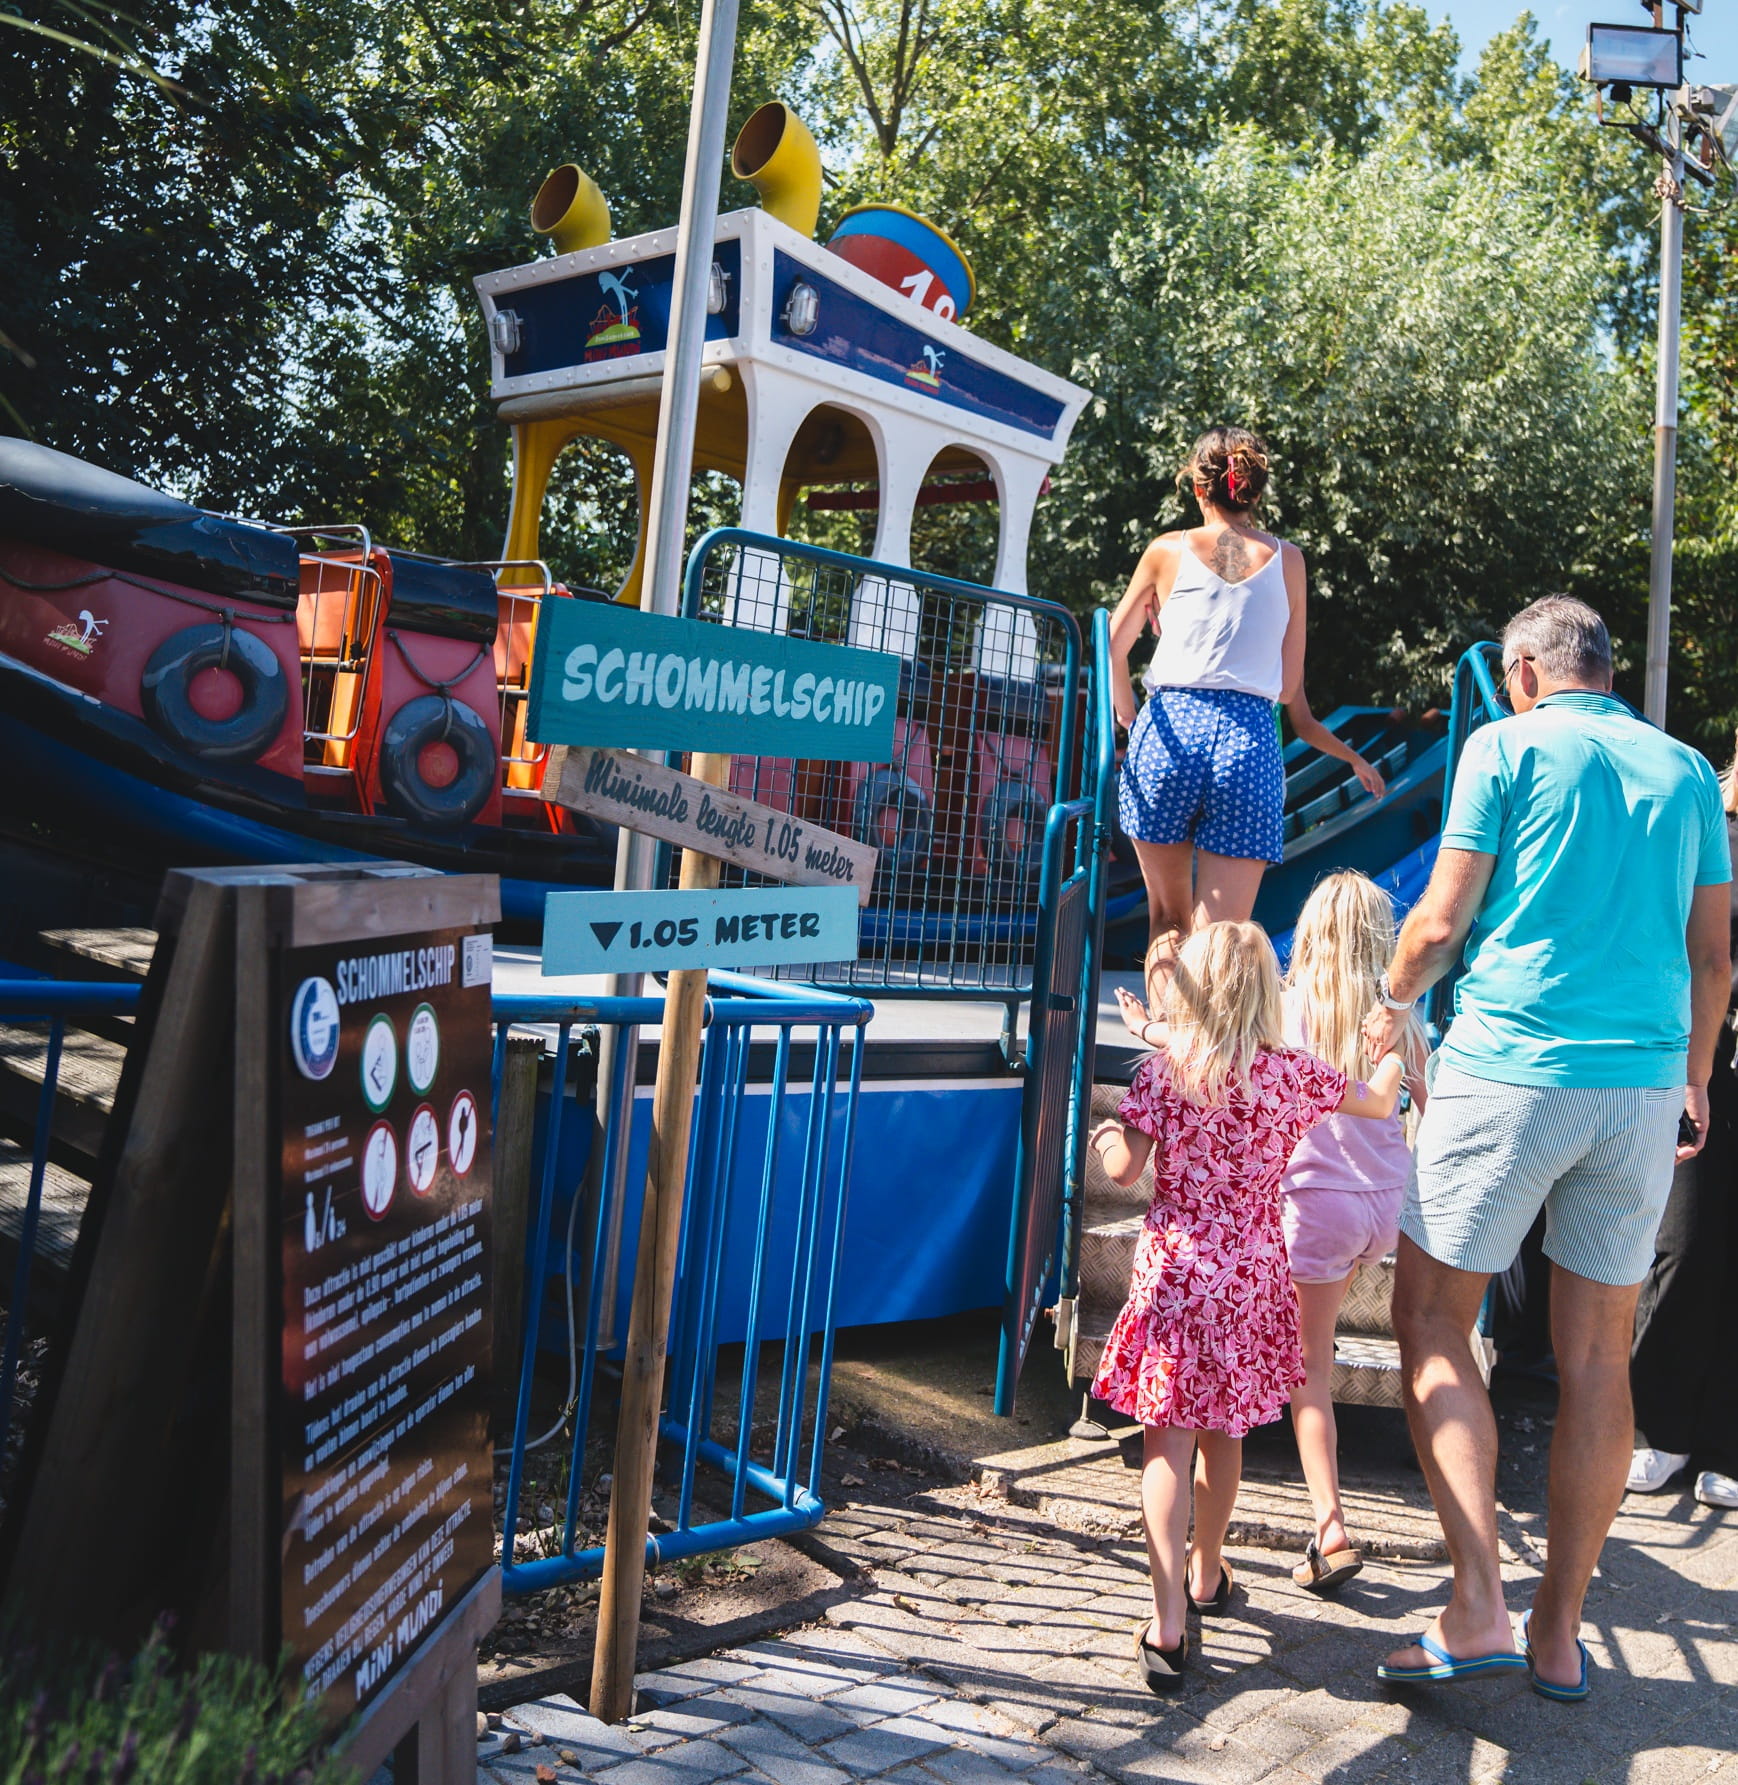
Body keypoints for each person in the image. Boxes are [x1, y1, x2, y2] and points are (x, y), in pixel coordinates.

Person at [1362, 596, 1730, 1703]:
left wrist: (1388, 1002)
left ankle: (1476, 1600)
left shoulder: (1505, 746)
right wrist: (1697, 1078)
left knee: (1428, 1316)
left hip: (1513, 1070)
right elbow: (1714, 958)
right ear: (1605, 672)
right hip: (1642, 1081)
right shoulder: (1686, 772)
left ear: (1523, 672)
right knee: (1596, 1361)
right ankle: (1558, 1636)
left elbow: (1438, 922)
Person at [1087, 920, 1406, 1690]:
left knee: (1166, 1442)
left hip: (1174, 1277)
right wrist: (1393, 1049)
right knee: (1225, 1434)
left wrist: (1103, 1136)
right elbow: (1378, 1098)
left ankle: (1167, 1627)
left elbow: (1126, 1170)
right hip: (1251, 1277)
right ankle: (1207, 1575)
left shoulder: (1164, 1073)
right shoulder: (1293, 1072)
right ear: (1268, 990)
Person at [1109, 426, 1306, 986]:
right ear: (1254, 492)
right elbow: (1289, 687)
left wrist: (1130, 718)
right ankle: (1207, 1069)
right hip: (1247, 737)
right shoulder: (1289, 561)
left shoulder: (1166, 550)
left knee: (1166, 921)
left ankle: (1164, 1062)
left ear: (1198, 487)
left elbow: (1113, 648)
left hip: (1169, 726)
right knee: (1221, 941)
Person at [1280, 871, 1429, 1594]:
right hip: (1386, 1207)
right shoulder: (1397, 1015)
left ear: (1310, 934)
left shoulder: (1289, 1008)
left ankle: (1330, 1525)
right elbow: (1429, 1098)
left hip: (1319, 1206)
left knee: (1307, 1368)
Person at [1627, 726, 1738, 1511]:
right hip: (1703, 1052)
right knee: (1682, 1241)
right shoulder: (1712, 827)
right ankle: (1661, 1427)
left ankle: (1725, 1440)